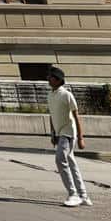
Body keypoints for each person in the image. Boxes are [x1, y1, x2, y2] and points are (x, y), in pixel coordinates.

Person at [46, 66, 90, 208]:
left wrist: (81, 138)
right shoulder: (50, 95)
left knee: (60, 160)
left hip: (68, 133)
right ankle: (83, 195)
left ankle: (73, 194)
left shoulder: (66, 95)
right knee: (71, 162)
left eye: (51, 77)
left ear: (59, 80)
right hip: (59, 133)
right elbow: (51, 116)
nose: (49, 79)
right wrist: (52, 133)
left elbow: (77, 117)